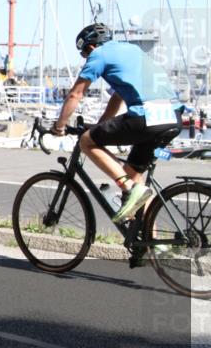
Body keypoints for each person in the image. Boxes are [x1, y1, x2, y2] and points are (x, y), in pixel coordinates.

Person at [51, 23, 182, 226]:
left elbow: (75, 94)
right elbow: (117, 97)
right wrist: (100, 126)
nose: (86, 57)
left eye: (84, 52)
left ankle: (129, 189)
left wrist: (59, 126)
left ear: (91, 46)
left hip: (147, 116)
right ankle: (150, 246)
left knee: (86, 142)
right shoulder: (132, 50)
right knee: (133, 175)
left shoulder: (99, 54)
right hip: (172, 116)